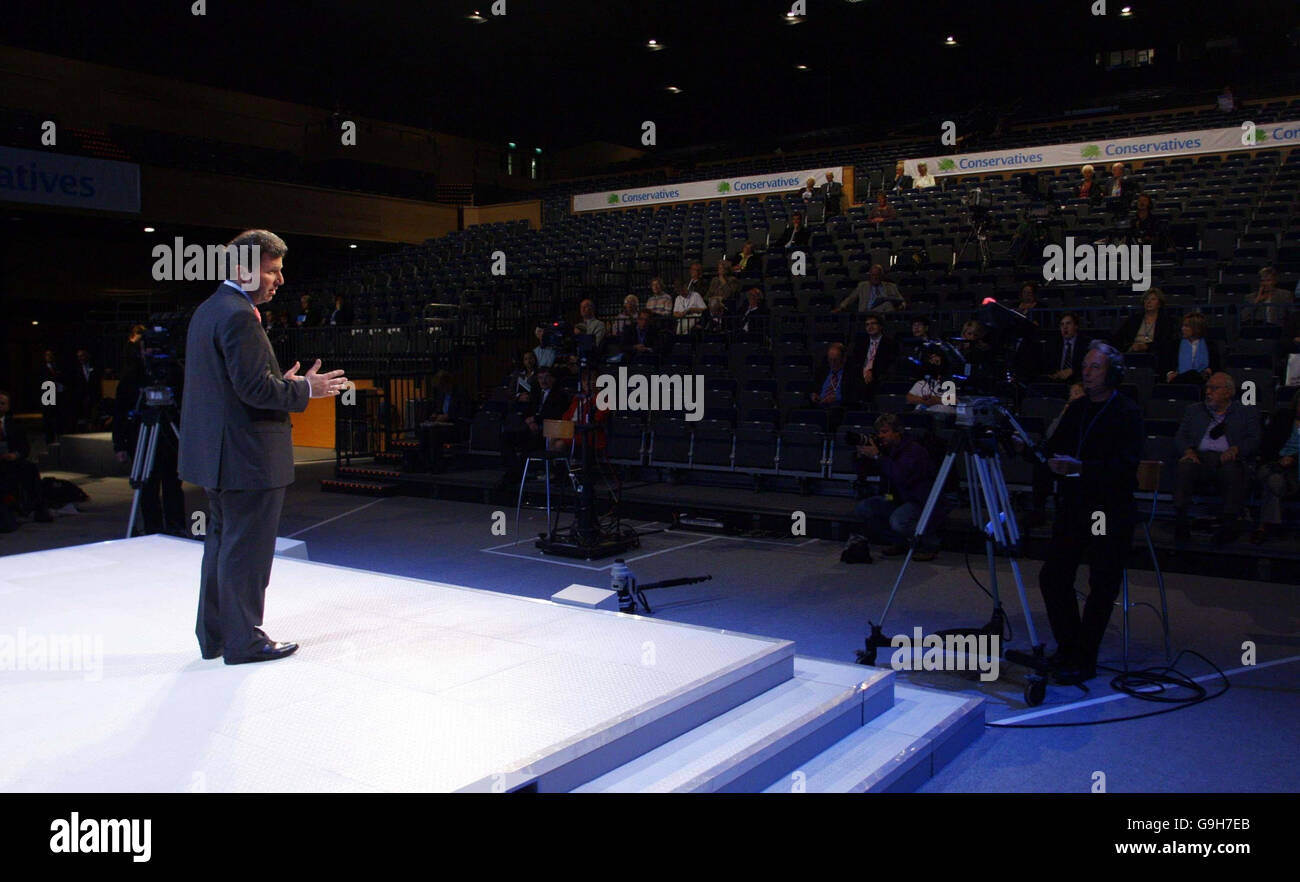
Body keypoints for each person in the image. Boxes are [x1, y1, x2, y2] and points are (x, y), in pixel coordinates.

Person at [178, 229, 349, 665]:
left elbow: (233, 386)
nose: (280, 279)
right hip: (247, 458)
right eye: (272, 270)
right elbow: (254, 390)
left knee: (222, 546)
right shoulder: (238, 315)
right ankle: (244, 642)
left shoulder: (209, 309)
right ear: (243, 270)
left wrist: (283, 383)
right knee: (247, 553)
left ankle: (216, 636)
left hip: (221, 459)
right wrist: (305, 389)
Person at [1037, 342, 1143, 685]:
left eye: (1095, 367)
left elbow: (1126, 467)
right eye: (1085, 365)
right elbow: (1056, 449)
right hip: (1075, 505)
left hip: (1109, 508)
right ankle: (1069, 645)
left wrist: (1082, 468)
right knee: (1053, 575)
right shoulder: (1078, 407)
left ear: (1112, 373)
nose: (1087, 371)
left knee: (1102, 582)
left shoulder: (1127, 411)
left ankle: (1085, 656)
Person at [1172, 372, 1260, 545]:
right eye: (1207, 388)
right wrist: (1188, 451)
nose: (1208, 392)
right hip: (1199, 458)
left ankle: (1229, 525)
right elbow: (1180, 437)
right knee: (1185, 467)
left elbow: (1254, 439)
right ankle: (1181, 521)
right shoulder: (1194, 410)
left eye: (1214, 388)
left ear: (1228, 392)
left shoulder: (1246, 412)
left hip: (1227, 459)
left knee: (1232, 471)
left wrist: (1237, 449)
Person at [113, 335, 185, 536]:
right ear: (142, 349)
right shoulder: (132, 376)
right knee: (147, 487)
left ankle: (176, 528)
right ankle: (152, 529)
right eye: (150, 348)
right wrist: (119, 445)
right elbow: (120, 411)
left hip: (170, 439)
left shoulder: (175, 373)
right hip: (142, 438)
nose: (154, 353)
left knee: (173, 485)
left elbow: (186, 405)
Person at [852, 413, 944, 562]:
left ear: (897, 432)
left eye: (885, 432)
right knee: (864, 509)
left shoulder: (914, 450)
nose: (881, 436)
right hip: (896, 497)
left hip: (919, 499)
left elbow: (901, 476)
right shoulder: (886, 449)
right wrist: (861, 455)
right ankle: (900, 542)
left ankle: (929, 544)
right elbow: (865, 473)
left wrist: (878, 457)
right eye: (879, 432)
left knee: (899, 520)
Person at [499, 365, 570, 483]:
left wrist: (535, 420)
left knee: (529, 441)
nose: (543, 381)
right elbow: (528, 410)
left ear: (553, 379)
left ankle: (515, 474)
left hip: (548, 431)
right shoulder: (536, 391)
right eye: (540, 378)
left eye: (546, 377)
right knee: (506, 437)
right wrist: (529, 420)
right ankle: (514, 471)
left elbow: (554, 414)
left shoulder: (560, 395)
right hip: (531, 428)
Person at [1250, 393, 1300, 544]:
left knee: (1272, 480)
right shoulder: (1282, 418)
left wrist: (1294, 459)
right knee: (1273, 477)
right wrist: (1279, 460)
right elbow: (1266, 445)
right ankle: (1271, 525)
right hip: (1275, 463)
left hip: (1296, 468)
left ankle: (1264, 527)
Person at [0, 390, 54, 523]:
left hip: (10, 460)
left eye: (2, 403)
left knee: (30, 468)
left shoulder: (14, 425)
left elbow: (24, 448)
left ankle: (38, 508)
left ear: (8, 406)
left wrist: (15, 455)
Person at [1113, 288, 1179, 376]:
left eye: (1153, 299)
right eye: (1146, 299)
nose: (1148, 302)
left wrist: (1146, 346)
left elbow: (1165, 341)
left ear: (1159, 303)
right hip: (1132, 351)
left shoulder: (1166, 321)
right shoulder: (1135, 319)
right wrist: (1131, 346)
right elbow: (1120, 336)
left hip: (1154, 353)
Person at [853, 313, 899, 402]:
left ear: (881, 326)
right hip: (860, 377)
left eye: (873, 323)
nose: (870, 326)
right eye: (867, 324)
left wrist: (872, 372)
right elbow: (856, 362)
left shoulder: (891, 344)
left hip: (879, 377)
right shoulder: (860, 343)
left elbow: (889, 364)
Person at [1164, 312, 1218, 385]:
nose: (1182, 329)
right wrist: (1170, 373)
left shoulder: (1210, 345)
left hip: (1203, 381)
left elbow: (1216, 367)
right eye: (1183, 326)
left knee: (1193, 375)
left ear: (1197, 328)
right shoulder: (1175, 345)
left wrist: (1209, 371)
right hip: (1179, 380)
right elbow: (1167, 364)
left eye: (1186, 326)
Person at [812, 342, 863, 410]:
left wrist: (837, 398)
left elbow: (856, 395)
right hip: (819, 407)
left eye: (835, 360)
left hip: (840, 409)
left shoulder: (852, 373)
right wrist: (813, 395)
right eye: (830, 360)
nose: (832, 363)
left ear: (843, 359)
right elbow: (811, 388)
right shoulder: (822, 371)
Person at [835, 264, 904, 313]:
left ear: (882, 276)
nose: (875, 277)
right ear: (870, 276)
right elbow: (850, 298)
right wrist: (840, 308)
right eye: (873, 275)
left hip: (887, 314)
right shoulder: (862, 286)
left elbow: (902, 301)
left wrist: (901, 307)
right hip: (867, 314)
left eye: (877, 275)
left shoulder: (891, 286)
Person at [1042, 313, 1090, 383]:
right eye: (1062, 324)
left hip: (1078, 380)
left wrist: (1073, 371)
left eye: (1068, 323)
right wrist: (1055, 373)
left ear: (1076, 326)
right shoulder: (1053, 343)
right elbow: (1047, 365)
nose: (1065, 327)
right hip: (1057, 380)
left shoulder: (1085, 343)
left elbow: (1087, 365)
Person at [71, 347, 103, 431]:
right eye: (79, 356)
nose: (81, 358)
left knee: (94, 413)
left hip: (93, 395)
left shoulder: (94, 366)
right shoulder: (76, 369)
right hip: (82, 396)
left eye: (82, 356)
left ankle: (93, 427)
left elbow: (97, 381)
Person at [37, 349, 64, 444]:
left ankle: (60, 438)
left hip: (57, 396)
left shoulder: (57, 368)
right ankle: (49, 440)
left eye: (51, 355)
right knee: (48, 419)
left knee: (57, 418)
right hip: (47, 396)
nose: (49, 357)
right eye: (47, 355)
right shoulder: (42, 368)